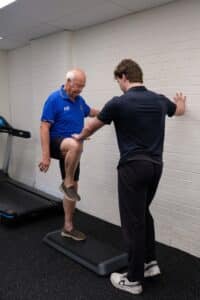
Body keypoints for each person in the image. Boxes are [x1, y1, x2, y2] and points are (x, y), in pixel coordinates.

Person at [72, 59, 186, 294]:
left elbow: (93, 125)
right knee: (143, 213)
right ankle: (150, 263)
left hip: (132, 168)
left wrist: (79, 137)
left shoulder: (119, 103)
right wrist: (181, 102)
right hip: (156, 167)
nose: (119, 85)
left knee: (132, 223)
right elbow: (179, 111)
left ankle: (133, 280)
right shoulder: (159, 99)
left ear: (124, 76)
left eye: (118, 81)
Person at [39, 68, 99, 241]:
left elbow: (90, 111)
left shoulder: (80, 101)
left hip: (73, 151)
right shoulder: (54, 99)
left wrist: (108, 112)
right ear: (68, 82)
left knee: (74, 187)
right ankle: (67, 182)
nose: (79, 90)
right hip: (57, 142)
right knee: (75, 144)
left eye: (82, 87)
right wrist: (46, 156)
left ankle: (68, 226)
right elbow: (44, 127)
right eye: (77, 86)